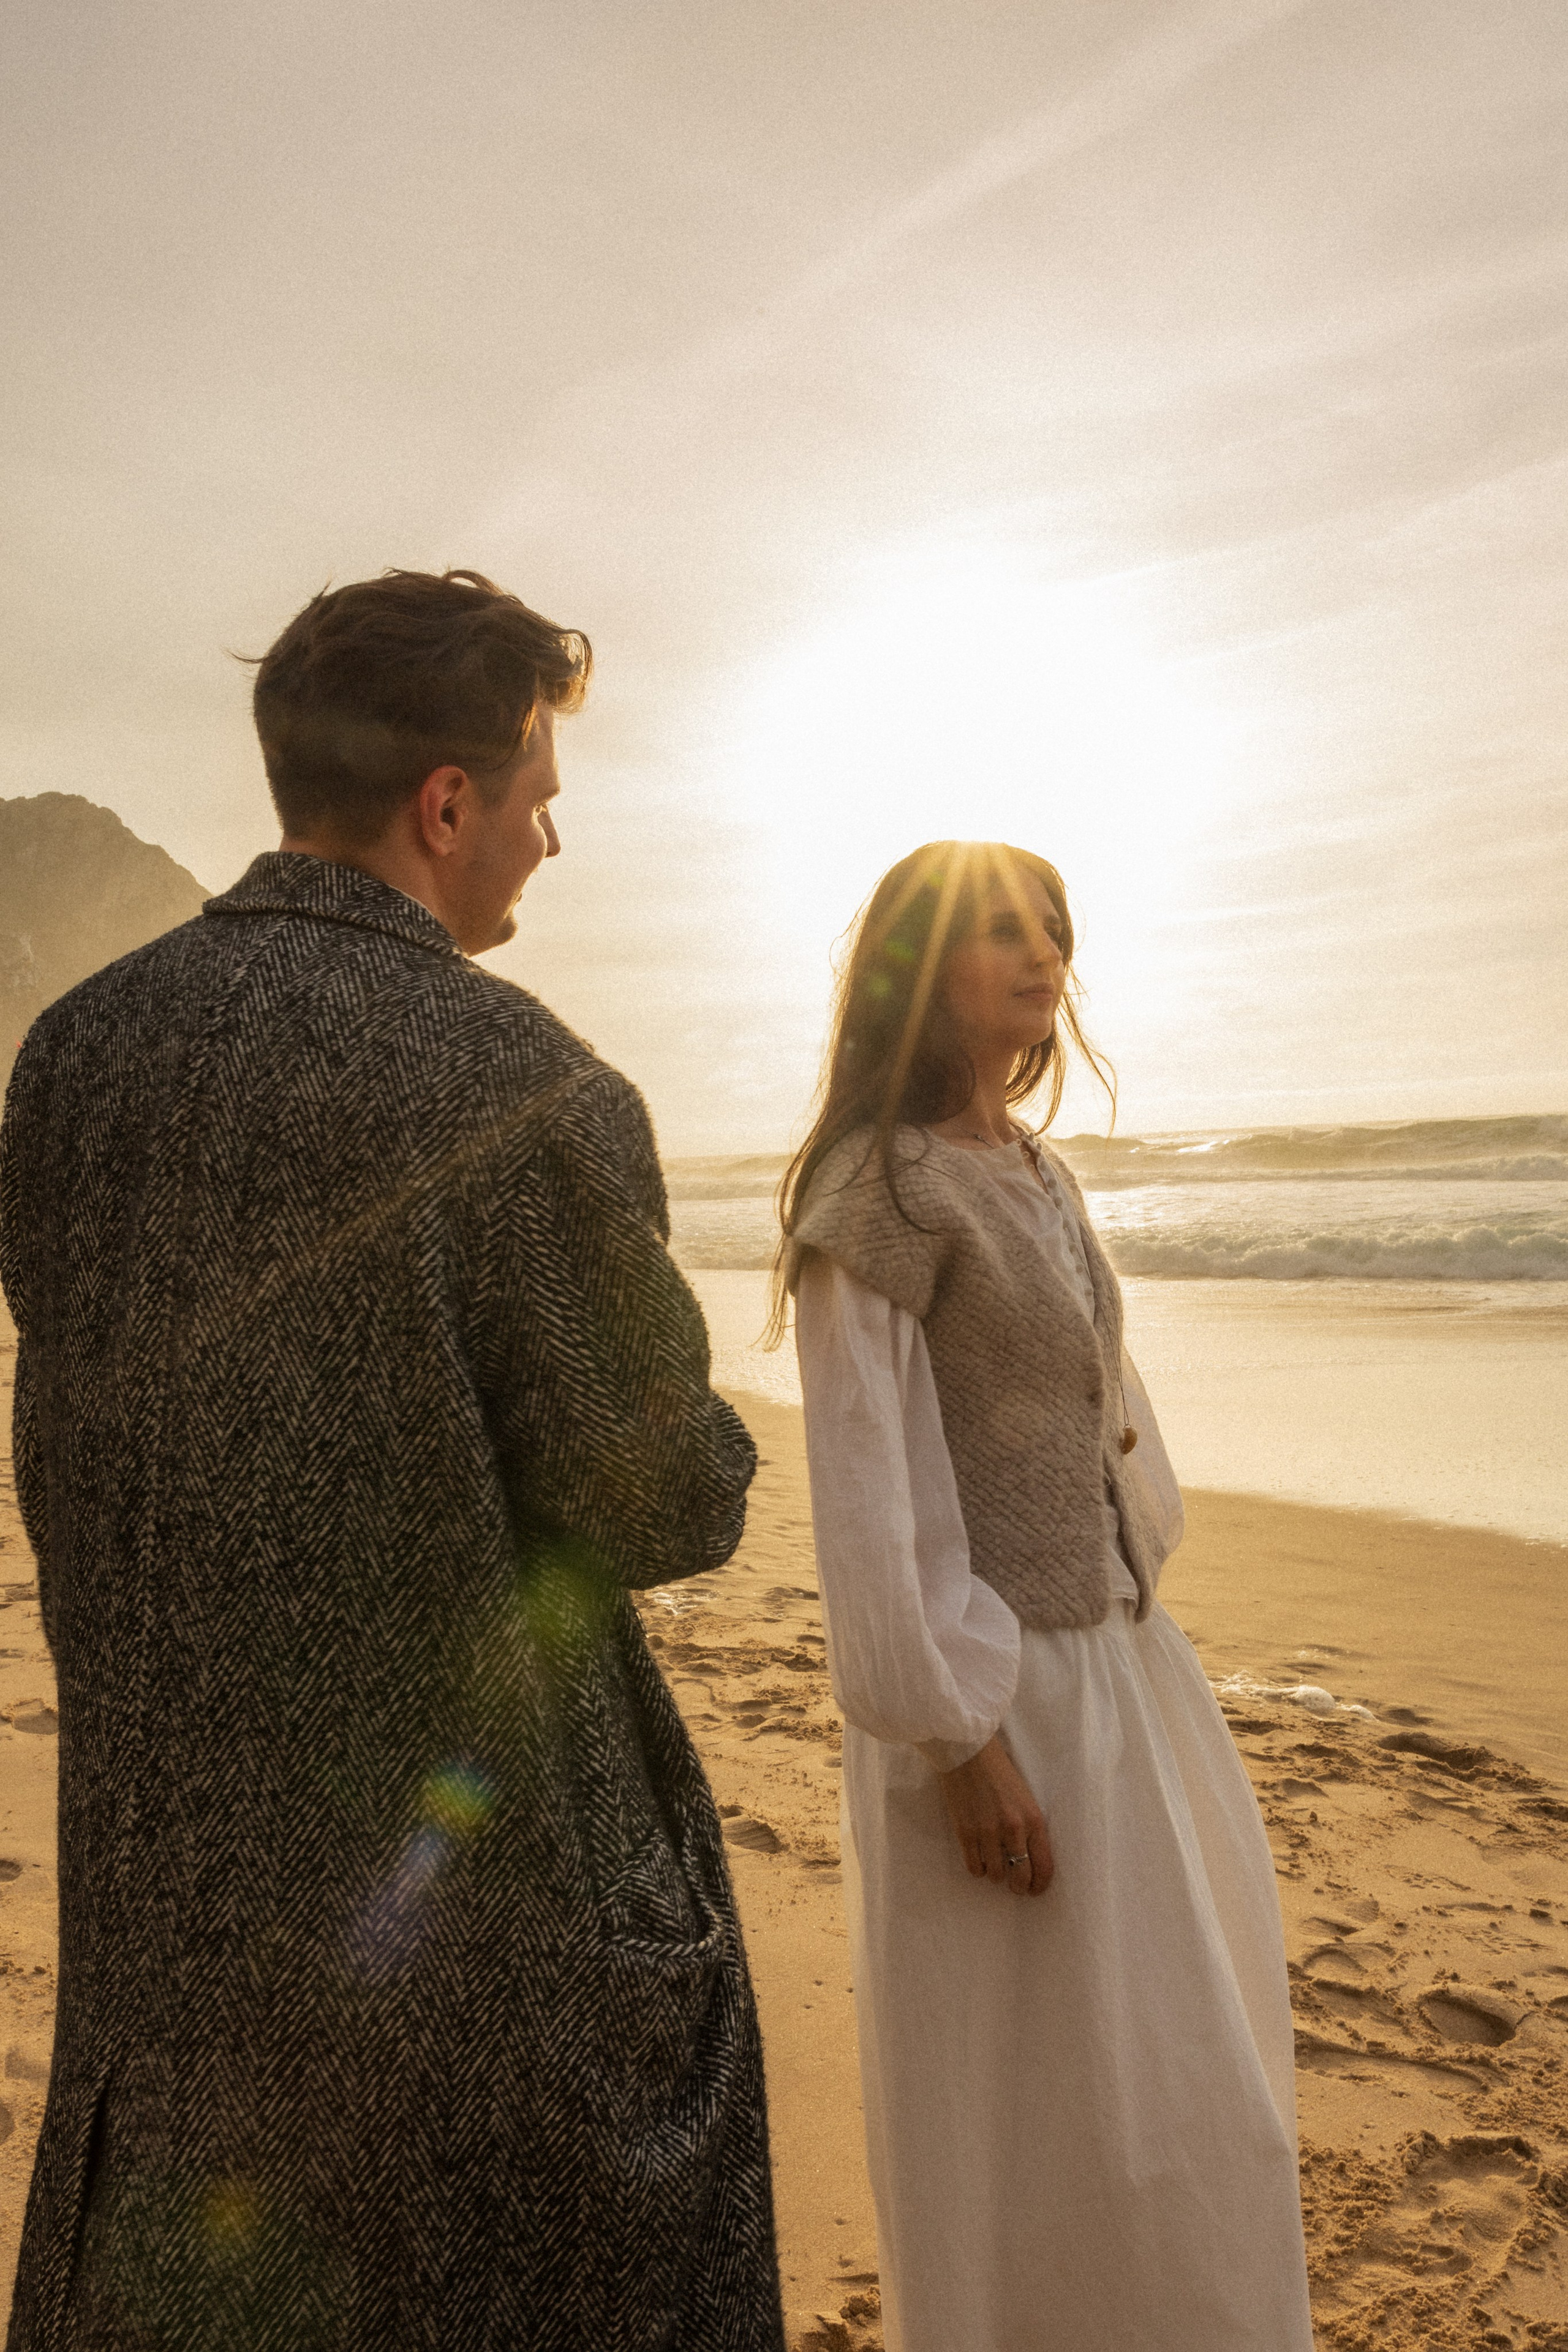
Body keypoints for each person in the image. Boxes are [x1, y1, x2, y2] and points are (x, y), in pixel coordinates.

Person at [0, 569, 785, 2351]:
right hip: (495, 1953)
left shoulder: (70, 1059)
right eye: (539, 800)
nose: (550, 843)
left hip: (178, 1926)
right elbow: (664, 1499)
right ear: (447, 805)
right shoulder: (527, 1087)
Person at [777, 840, 1314, 2352]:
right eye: (1000, 932)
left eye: (1052, 931)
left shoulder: (1029, 1162)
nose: (1040, 957)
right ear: (914, 965)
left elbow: (1094, 1410)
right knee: (1030, 2122)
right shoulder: (873, 1192)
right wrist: (960, 1742)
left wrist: (1137, 1583)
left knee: (1188, 2095)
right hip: (991, 1697)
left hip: (1123, 1671)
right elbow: (867, 1505)